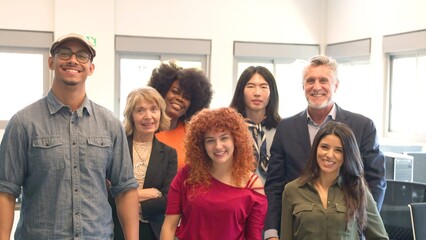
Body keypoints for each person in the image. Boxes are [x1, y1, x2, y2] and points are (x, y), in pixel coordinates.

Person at [0, 33, 139, 240]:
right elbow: (5, 191)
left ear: (90, 68)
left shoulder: (110, 124)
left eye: (82, 56)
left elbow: (125, 189)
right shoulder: (23, 123)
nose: (73, 60)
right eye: (64, 54)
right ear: (51, 62)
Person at [264, 55, 386, 240]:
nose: (316, 86)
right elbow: (274, 184)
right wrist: (272, 232)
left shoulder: (362, 126)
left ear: (336, 85)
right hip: (301, 228)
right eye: (310, 81)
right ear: (303, 86)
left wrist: (359, 223)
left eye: (324, 80)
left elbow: (375, 181)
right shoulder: (286, 128)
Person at [160, 108, 268, 240]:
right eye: (210, 140)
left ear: (236, 140)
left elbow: (254, 237)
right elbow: (169, 227)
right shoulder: (187, 175)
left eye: (224, 138)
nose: (218, 146)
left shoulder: (252, 185)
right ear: (201, 145)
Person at [280, 121, 388, 240]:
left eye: (338, 150)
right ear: (316, 149)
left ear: (347, 154)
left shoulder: (358, 190)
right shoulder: (292, 190)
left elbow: (380, 237)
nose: (329, 155)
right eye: (324, 147)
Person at [109, 87, 178, 240]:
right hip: (117, 230)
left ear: (161, 113)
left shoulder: (169, 154)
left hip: (152, 231)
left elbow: (169, 199)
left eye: (154, 109)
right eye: (140, 110)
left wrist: (127, 201)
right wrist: (146, 193)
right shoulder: (117, 148)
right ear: (131, 116)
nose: (148, 116)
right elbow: (105, 193)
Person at [148, 61, 213, 170]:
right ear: (162, 92)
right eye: (175, 91)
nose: (180, 98)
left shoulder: (193, 135)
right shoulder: (146, 129)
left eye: (186, 97)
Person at [230, 66, 281, 182]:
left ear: (271, 93)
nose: (257, 93)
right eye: (250, 86)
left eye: (263, 87)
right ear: (240, 91)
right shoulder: (229, 129)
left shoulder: (283, 130)